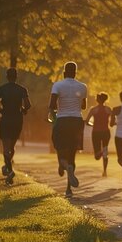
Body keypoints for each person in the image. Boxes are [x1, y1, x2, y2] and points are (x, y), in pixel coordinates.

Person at [49, 62, 88, 198]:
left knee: (61, 151)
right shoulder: (83, 87)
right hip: (77, 121)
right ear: (75, 73)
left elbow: (52, 105)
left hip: (63, 120)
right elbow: (83, 106)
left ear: (64, 73)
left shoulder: (58, 85)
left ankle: (64, 166)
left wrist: (54, 119)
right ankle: (68, 189)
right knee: (72, 154)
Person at [0, 68, 31, 185]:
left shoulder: (2, 89)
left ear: (7, 76)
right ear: (16, 76)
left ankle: (9, 170)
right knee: (11, 147)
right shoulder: (22, 89)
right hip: (17, 120)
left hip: (6, 119)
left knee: (6, 147)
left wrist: (0, 110)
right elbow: (28, 105)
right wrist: (23, 110)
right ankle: (8, 167)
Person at [85, 92, 112, 177]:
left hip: (96, 132)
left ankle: (104, 170)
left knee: (97, 156)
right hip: (106, 132)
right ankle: (104, 170)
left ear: (97, 100)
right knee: (105, 152)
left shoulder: (93, 110)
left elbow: (86, 121)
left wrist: (93, 124)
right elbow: (112, 121)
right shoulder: (108, 109)